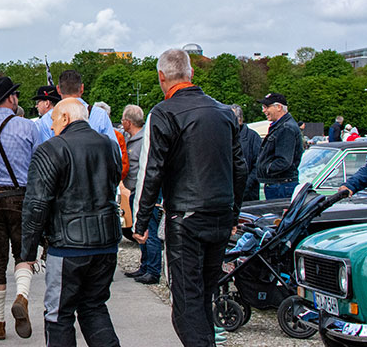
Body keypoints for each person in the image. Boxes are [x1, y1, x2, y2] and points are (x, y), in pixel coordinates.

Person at [133, 49, 246, 347]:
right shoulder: (223, 113)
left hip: (186, 217)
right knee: (204, 295)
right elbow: (240, 168)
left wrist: (141, 221)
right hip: (219, 214)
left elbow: (152, 170)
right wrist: (233, 214)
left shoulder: (164, 112)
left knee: (186, 303)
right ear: (191, 73)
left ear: (161, 77)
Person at [22, 98, 122, 347]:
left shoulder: (52, 149)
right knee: (94, 307)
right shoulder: (109, 146)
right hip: (106, 242)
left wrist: (27, 251)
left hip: (68, 245)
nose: (52, 126)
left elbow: (36, 204)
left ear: (65, 118)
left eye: (54, 120)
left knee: (58, 314)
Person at [0, 76, 41, 340]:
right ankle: (22, 297)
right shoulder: (28, 127)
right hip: (21, 197)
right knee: (24, 254)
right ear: (11, 98)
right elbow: (39, 168)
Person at [122, 104, 162, 285]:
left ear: (128, 122)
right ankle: (145, 265)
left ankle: (153, 270)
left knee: (149, 230)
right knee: (140, 230)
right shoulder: (130, 139)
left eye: (123, 120)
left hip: (144, 192)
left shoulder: (144, 140)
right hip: (133, 191)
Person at [36, 70, 120, 147]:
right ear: (82, 88)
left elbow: (47, 154)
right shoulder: (100, 115)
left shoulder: (48, 119)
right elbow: (115, 152)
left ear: (58, 89)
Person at [254, 93, 303, 200]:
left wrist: (265, 168)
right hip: (279, 184)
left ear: (279, 107)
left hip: (281, 186)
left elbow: (284, 161)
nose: (264, 111)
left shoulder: (286, 128)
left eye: (266, 107)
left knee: (278, 216)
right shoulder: (281, 126)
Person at [230, 104, 263, 202]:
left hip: (248, 195)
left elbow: (257, 165)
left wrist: (244, 186)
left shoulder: (253, 137)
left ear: (239, 119)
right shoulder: (224, 136)